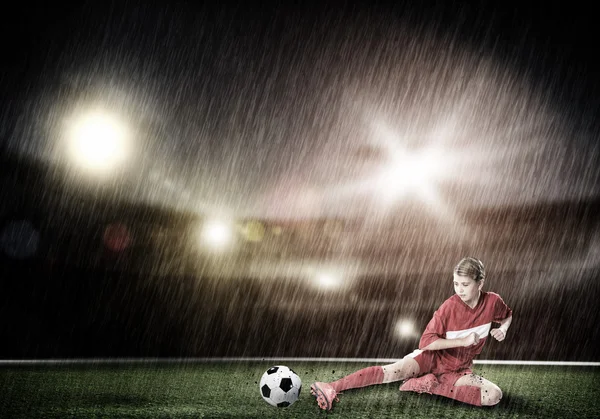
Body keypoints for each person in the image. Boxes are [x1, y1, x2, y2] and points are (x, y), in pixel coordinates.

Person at [310, 257, 513, 410]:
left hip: (459, 368)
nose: (459, 290)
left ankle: (426, 385)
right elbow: (426, 341)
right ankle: (331, 386)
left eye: (465, 284)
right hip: (430, 359)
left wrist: (503, 328)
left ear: (481, 283)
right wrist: (462, 340)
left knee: (493, 395)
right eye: (456, 283)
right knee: (392, 372)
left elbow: (507, 316)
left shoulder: (493, 302)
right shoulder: (449, 307)